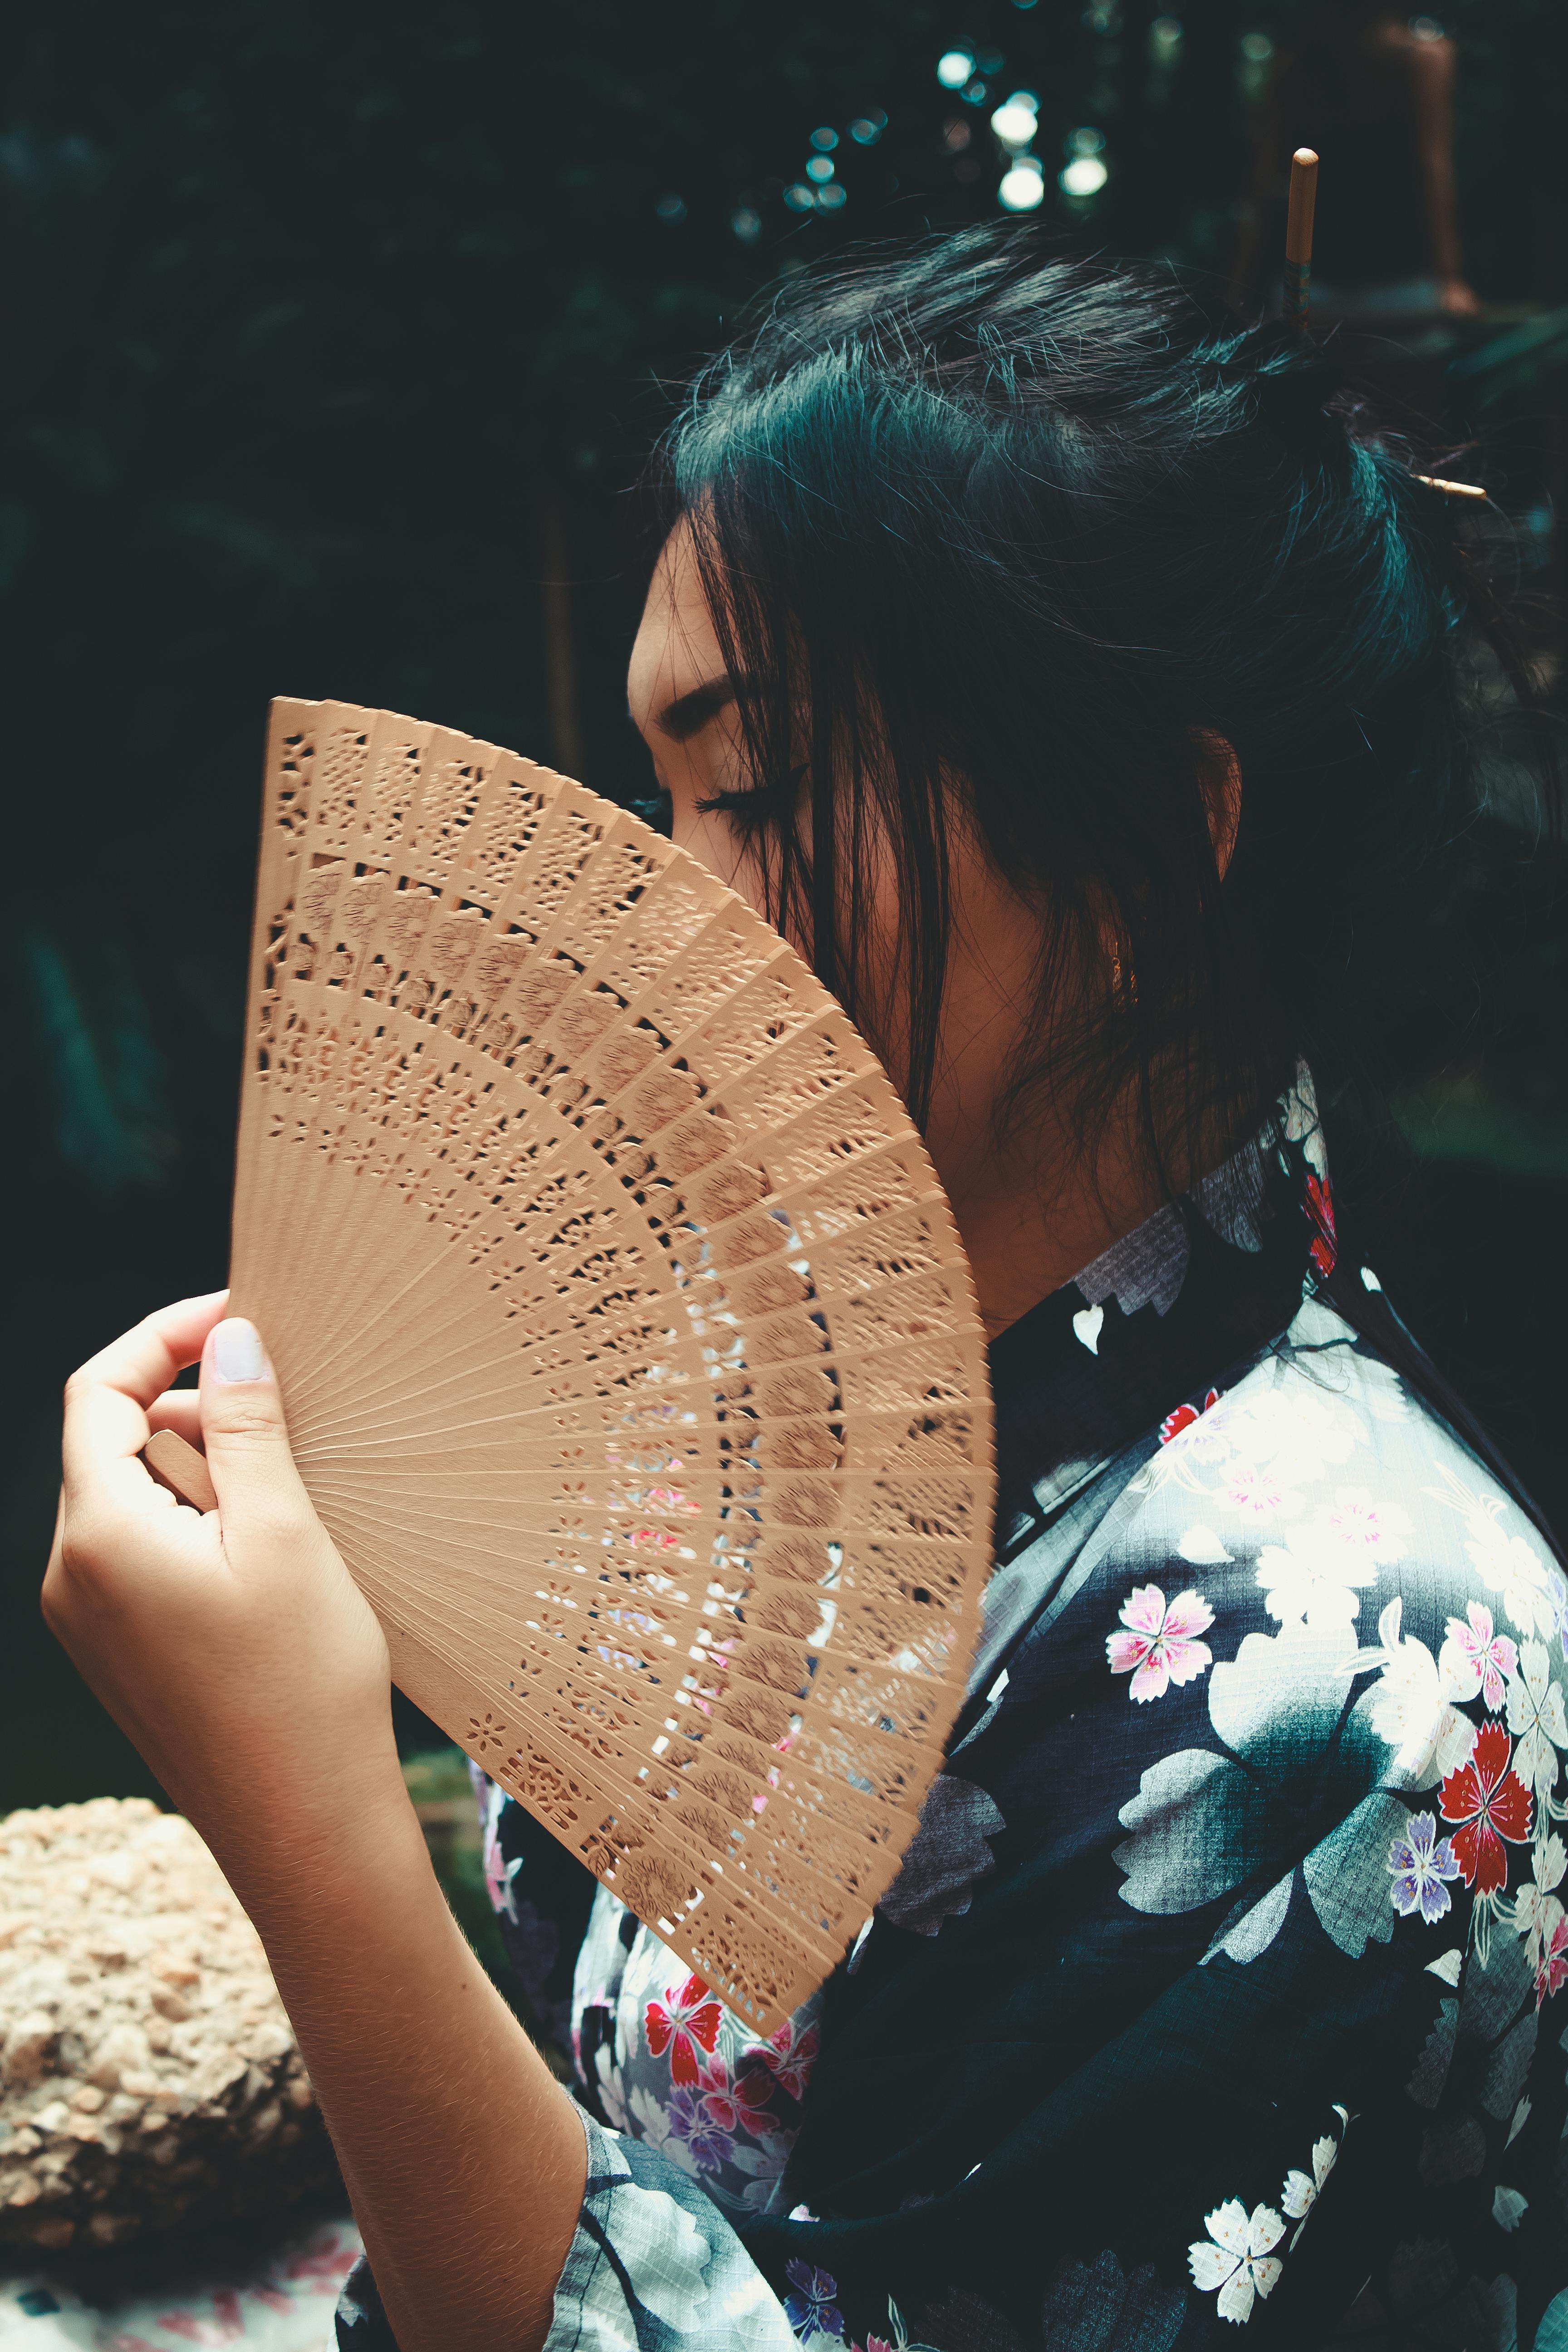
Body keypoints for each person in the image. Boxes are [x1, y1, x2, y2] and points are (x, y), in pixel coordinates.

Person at [45, 230, 1568, 2352]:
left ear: (1138, 830)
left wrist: (309, 1822)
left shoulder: (1358, 1677)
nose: (660, 906)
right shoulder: (767, 1413)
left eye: (752, 789)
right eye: (660, 797)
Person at [1231, 3, 1479, 318]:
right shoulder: (1422, 59)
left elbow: (1261, 181)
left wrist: (1237, 285)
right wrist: (1450, 278)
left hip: (1339, 278)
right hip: (1371, 277)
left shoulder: (1298, 63)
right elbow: (1433, 168)